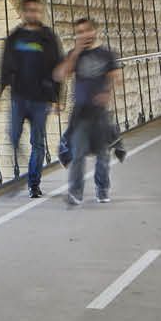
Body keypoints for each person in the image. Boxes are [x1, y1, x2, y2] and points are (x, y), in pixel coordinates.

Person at [0, 0, 62, 197]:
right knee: (13, 135)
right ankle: (21, 166)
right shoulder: (14, 37)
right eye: (30, 10)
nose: (34, 14)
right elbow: (5, 65)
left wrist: (57, 98)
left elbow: (57, 67)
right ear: (23, 12)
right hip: (19, 97)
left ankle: (34, 184)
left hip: (41, 99)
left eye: (37, 11)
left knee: (38, 142)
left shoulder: (48, 37)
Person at [55, 16, 122, 205]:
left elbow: (117, 77)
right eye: (80, 32)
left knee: (103, 154)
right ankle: (75, 192)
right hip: (80, 113)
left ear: (94, 31)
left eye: (87, 31)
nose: (84, 35)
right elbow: (60, 75)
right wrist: (76, 52)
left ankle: (102, 189)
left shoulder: (107, 54)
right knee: (78, 153)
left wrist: (107, 92)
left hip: (100, 112)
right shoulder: (74, 55)